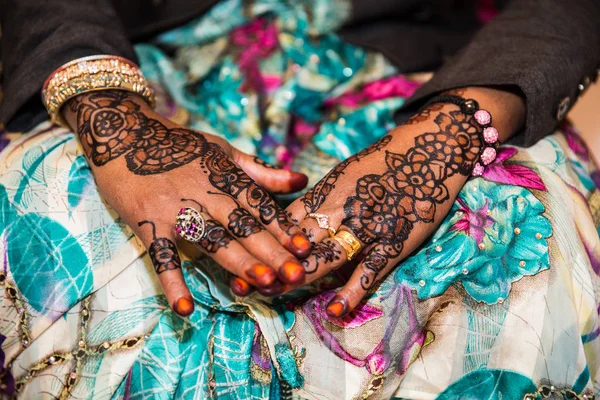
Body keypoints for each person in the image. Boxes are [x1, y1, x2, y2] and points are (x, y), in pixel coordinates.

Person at [0, 0, 599, 398]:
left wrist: (456, 128)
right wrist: (110, 113)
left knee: (517, 220)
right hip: (136, 63)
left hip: (427, 70)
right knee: (59, 202)